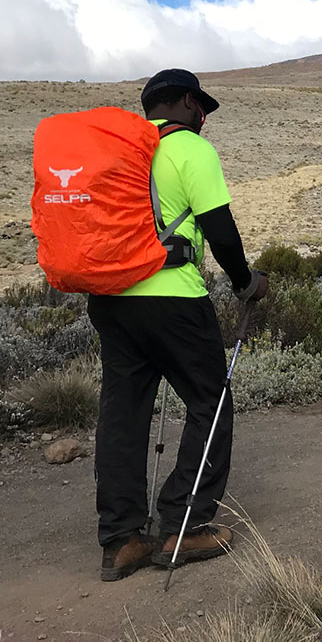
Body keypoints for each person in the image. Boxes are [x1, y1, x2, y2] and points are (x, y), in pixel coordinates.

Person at [88, 69, 269, 582]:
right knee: (210, 402)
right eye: (201, 107)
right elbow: (221, 233)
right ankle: (184, 525)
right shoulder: (190, 149)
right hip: (171, 298)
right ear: (188, 104)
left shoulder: (122, 155)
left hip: (110, 300)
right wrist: (245, 281)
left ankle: (121, 541)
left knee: (123, 412)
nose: (204, 118)